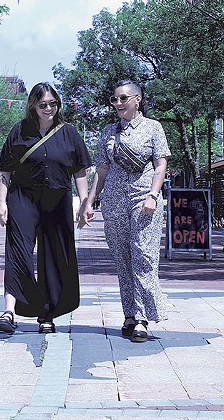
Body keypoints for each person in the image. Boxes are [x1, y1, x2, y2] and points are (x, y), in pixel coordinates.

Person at [0, 82, 91, 334]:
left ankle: (47, 313)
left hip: (57, 200)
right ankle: (9, 311)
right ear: (33, 106)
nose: (48, 108)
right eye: (43, 104)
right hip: (23, 198)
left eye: (53, 103)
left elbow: (79, 170)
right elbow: (5, 170)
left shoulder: (69, 132)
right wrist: (1, 202)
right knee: (18, 252)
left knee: (53, 255)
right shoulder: (19, 131)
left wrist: (84, 202)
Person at [78, 80, 171, 343]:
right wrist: (90, 201)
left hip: (144, 198)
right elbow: (102, 170)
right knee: (122, 258)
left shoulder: (154, 128)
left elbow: (160, 165)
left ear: (137, 100)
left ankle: (142, 316)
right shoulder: (108, 132)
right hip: (114, 201)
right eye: (115, 99)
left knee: (142, 254)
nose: (118, 104)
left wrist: (153, 194)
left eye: (123, 99)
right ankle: (129, 314)